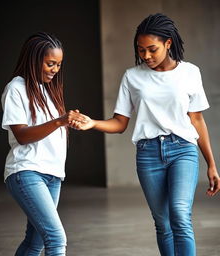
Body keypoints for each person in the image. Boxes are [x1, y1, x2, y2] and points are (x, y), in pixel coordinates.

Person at [75, 13, 220, 256]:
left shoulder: (190, 73)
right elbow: (120, 123)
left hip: (183, 149)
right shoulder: (132, 77)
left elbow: (196, 120)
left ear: (168, 43)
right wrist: (92, 124)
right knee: (163, 224)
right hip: (148, 155)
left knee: (180, 216)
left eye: (152, 49)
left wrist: (212, 165)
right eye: (141, 50)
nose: (146, 56)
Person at [1, 32, 86, 256]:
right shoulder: (16, 89)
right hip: (27, 171)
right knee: (56, 239)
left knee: (34, 243)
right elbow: (22, 135)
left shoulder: (47, 91)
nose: (55, 69)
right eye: (50, 63)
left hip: (52, 174)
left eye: (58, 64)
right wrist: (59, 120)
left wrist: (69, 122)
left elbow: (49, 128)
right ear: (34, 59)